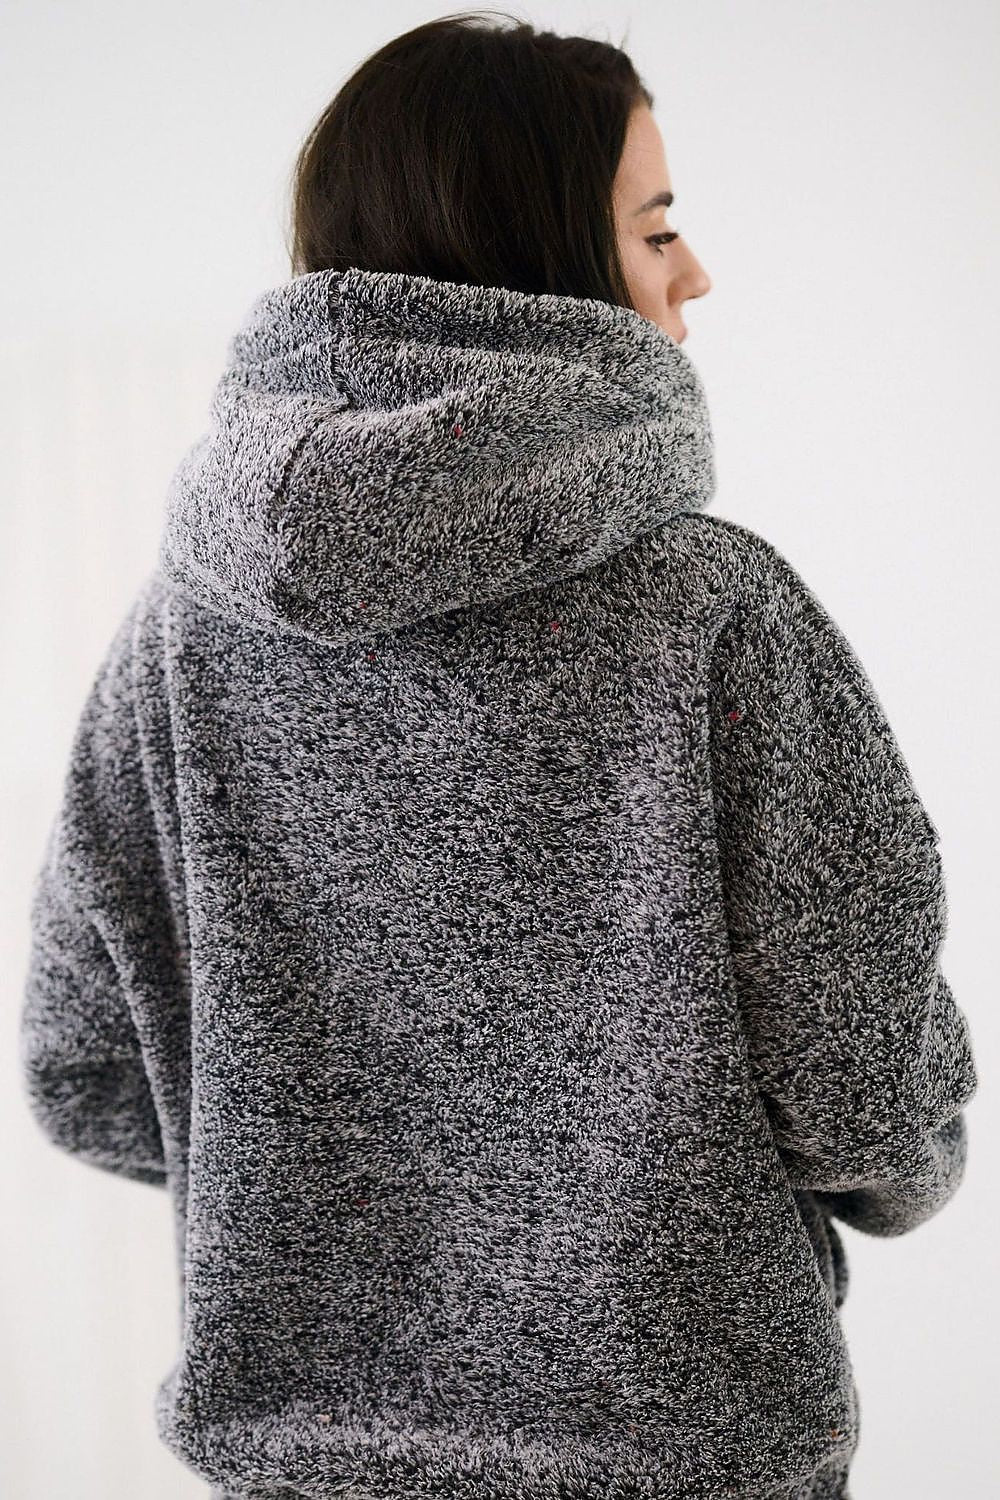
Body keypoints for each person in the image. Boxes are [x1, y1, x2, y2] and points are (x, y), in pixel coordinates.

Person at [19, 12, 976, 1500]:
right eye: (655, 230)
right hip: (687, 1460)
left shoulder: (176, 640)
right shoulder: (713, 611)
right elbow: (863, 1091)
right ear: (546, 260)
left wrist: (315, 1206)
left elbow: (84, 1071)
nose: (695, 274)